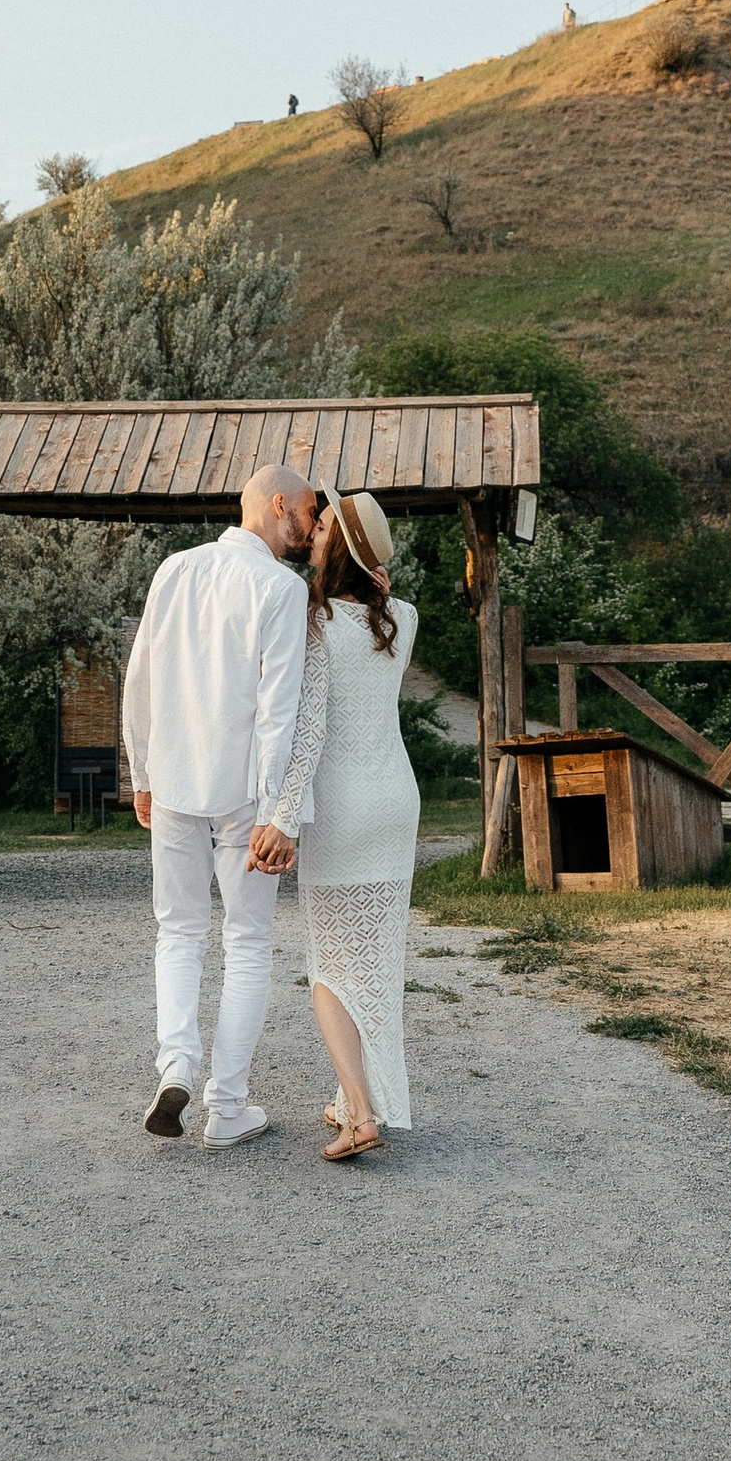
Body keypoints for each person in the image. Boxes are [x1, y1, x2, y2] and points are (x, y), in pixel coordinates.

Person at [123, 464, 324, 1148]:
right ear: (277, 506)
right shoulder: (281, 587)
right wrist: (279, 812)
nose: (310, 524)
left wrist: (140, 768)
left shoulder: (174, 569)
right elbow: (279, 711)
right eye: (306, 510)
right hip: (243, 792)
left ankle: (176, 1063)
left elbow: (140, 674)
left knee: (177, 931)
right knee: (246, 943)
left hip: (174, 779)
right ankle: (226, 1106)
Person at [294, 487, 421, 1164]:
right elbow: (381, 607)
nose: (310, 538)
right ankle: (351, 1097)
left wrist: (283, 815)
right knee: (374, 961)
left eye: (320, 534)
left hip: (340, 805)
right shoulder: (406, 617)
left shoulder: (312, 622)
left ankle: (363, 1114)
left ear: (337, 547)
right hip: (396, 803)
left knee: (328, 968)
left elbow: (309, 731)